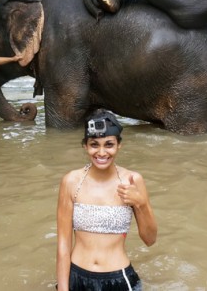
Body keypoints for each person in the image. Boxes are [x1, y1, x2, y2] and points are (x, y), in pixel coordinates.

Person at [56, 110, 157, 291]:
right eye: (94, 144)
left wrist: (140, 203)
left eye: (109, 144)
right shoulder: (71, 182)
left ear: (119, 145)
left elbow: (150, 240)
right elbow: (63, 246)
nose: (101, 152)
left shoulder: (132, 181)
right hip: (76, 276)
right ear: (85, 146)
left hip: (119, 279)